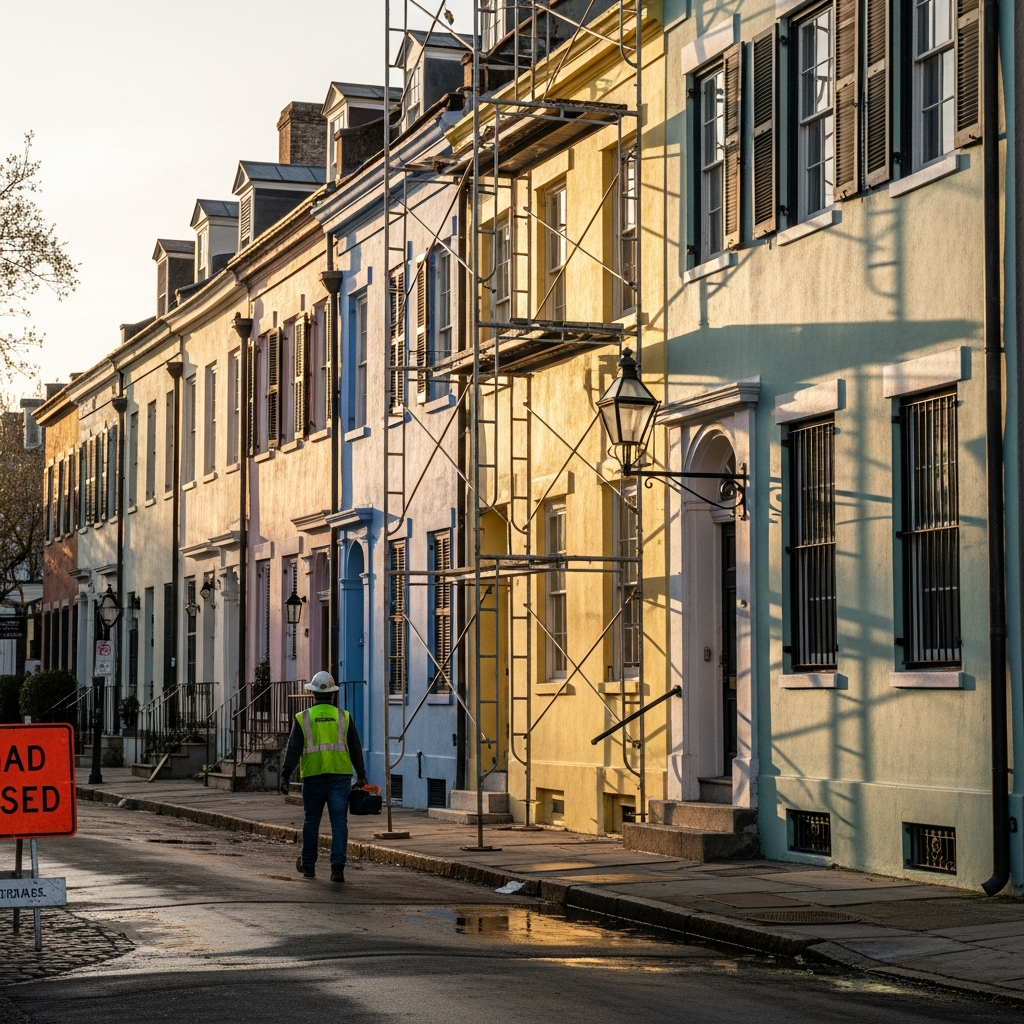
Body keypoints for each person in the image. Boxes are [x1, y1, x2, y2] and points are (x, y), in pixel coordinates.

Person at [280, 671, 367, 882]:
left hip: (313, 776)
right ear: (333, 694)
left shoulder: (303, 718)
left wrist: (285, 774)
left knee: (311, 822)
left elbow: (293, 749)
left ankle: (308, 865)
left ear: (312, 694)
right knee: (339, 823)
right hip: (340, 777)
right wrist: (362, 775)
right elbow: (355, 748)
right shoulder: (344, 716)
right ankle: (337, 868)